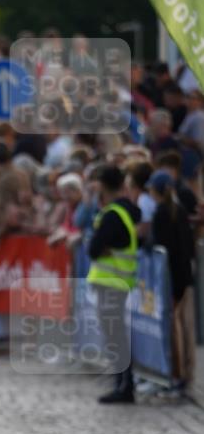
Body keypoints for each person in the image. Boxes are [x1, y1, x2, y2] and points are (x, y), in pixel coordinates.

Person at [86, 165, 141, 404]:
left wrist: (99, 247)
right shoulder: (124, 212)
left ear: (103, 185)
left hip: (111, 284)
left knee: (115, 335)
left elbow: (93, 248)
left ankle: (124, 386)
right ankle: (122, 383)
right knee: (115, 334)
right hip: (117, 283)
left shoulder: (112, 215)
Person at [147, 170, 196, 394]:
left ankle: (177, 375)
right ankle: (181, 374)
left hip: (172, 278)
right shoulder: (178, 210)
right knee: (181, 327)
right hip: (183, 275)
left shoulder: (163, 213)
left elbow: (159, 244)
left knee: (174, 329)